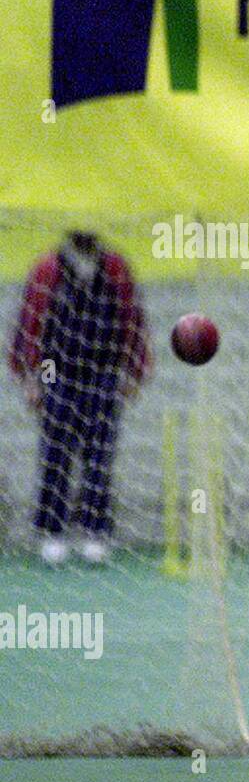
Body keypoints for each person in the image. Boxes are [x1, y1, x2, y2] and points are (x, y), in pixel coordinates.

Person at [8, 230, 152, 566]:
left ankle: (95, 532)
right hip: (54, 370)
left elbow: (133, 321)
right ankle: (52, 532)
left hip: (102, 373)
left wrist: (134, 371)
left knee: (99, 456)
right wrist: (33, 380)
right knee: (55, 454)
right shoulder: (46, 269)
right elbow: (31, 324)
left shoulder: (116, 268)